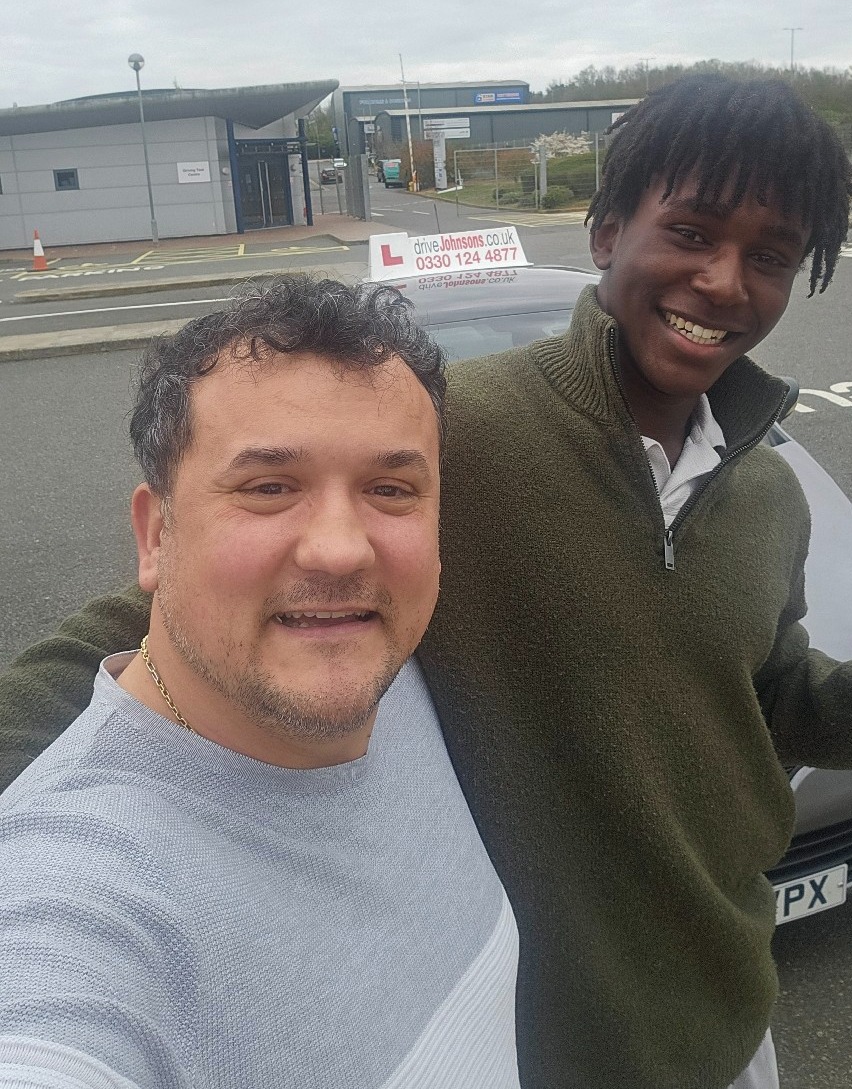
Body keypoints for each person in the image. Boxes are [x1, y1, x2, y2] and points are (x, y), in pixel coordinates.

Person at [2, 76, 852, 1089]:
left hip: (729, 1009)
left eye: (770, 256)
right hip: (535, 1040)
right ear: (608, 232)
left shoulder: (767, 497)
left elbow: (770, 696)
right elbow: (168, 617)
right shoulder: (452, 442)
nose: (722, 281)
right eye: (693, 232)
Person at [0, 277, 520, 1089]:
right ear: (155, 534)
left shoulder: (403, 676)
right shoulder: (70, 905)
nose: (342, 550)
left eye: (391, 489)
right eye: (270, 487)